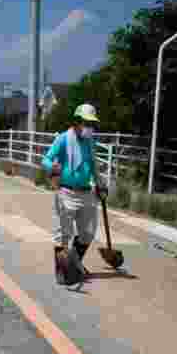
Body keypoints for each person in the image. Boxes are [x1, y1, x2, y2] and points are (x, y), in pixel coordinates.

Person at [40, 103, 108, 286]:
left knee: (88, 232)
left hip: (86, 192)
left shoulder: (89, 141)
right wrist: (51, 166)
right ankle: (62, 273)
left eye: (92, 124)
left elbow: (93, 165)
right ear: (77, 122)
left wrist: (100, 183)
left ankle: (74, 263)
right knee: (62, 235)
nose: (89, 128)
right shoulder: (63, 139)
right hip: (66, 191)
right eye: (86, 123)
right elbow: (45, 159)